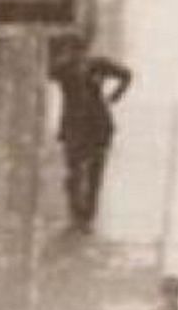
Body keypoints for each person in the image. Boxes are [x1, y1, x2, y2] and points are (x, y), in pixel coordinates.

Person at [50, 35, 131, 230]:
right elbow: (45, 72)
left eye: (78, 50)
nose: (77, 54)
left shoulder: (97, 65)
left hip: (97, 125)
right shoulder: (64, 69)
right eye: (73, 50)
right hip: (76, 126)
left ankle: (86, 215)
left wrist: (114, 96)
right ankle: (77, 213)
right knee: (75, 172)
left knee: (93, 172)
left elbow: (126, 75)